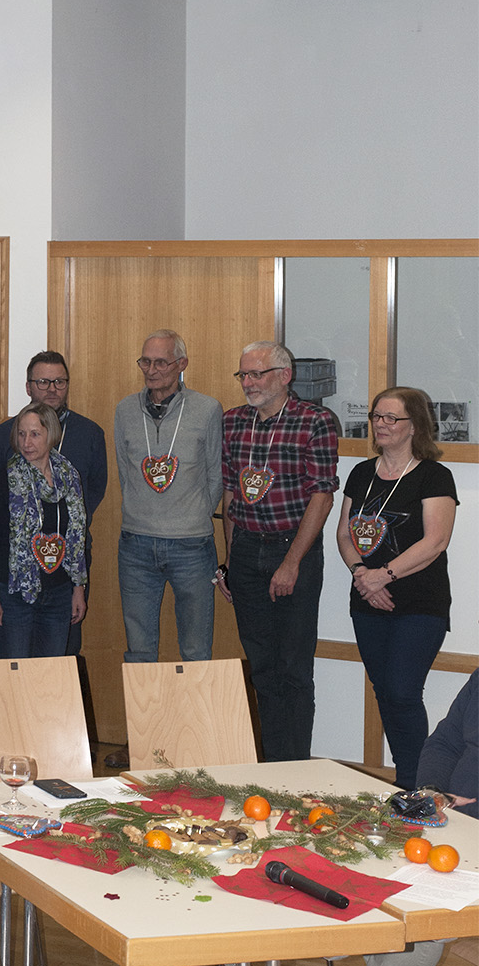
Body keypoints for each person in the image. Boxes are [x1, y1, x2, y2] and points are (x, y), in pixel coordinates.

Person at [288, 659, 476, 966]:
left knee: (425, 907)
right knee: (372, 864)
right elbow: (445, 741)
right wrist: (433, 790)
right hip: (455, 822)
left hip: (469, 826)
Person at [335, 386, 457, 789]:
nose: (381, 425)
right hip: (367, 600)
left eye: (392, 418)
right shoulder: (361, 473)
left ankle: (416, 786)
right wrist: (360, 574)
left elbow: (435, 541)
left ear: (414, 426)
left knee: (403, 693)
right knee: (385, 692)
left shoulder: (434, 476)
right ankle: (409, 787)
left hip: (419, 604)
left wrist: (381, 575)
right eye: (376, 417)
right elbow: (343, 534)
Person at [222, 341, 337, 763]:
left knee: (293, 668)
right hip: (248, 550)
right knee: (263, 666)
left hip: (295, 549)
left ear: (284, 376)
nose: (248, 383)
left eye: (257, 374)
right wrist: (232, 560)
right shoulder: (233, 422)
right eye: (243, 375)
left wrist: (291, 564)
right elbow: (231, 494)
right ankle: (272, 767)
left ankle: (298, 767)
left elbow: (322, 498)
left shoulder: (315, 421)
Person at [0, 352, 107, 657]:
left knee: (56, 671)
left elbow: (94, 493)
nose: (52, 388)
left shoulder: (83, 446)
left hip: (62, 581)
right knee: (15, 672)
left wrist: (77, 584)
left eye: (59, 381)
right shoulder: (1, 444)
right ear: (28, 386)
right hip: (14, 586)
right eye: (43, 381)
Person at [114, 329, 224, 666]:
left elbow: (215, 475)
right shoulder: (125, 410)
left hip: (191, 546)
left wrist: (192, 516)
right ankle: (145, 721)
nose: (151, 369)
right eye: (145, 361)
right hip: (136, 545)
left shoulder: (207, 409)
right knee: (139, 651)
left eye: (161, 362)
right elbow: (124, 471)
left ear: (181, 364)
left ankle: (193, 721)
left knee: (195, 651)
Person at [0, 406, 89, 657]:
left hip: (58, 593)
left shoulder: (69, 477)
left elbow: (76, 538)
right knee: (15, 677)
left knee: (49, 680)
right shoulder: (4, 479)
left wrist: (78, 589)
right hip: (14, 594)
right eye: (21, 434)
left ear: (51, 435)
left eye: (34, 434)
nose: (26, 442)